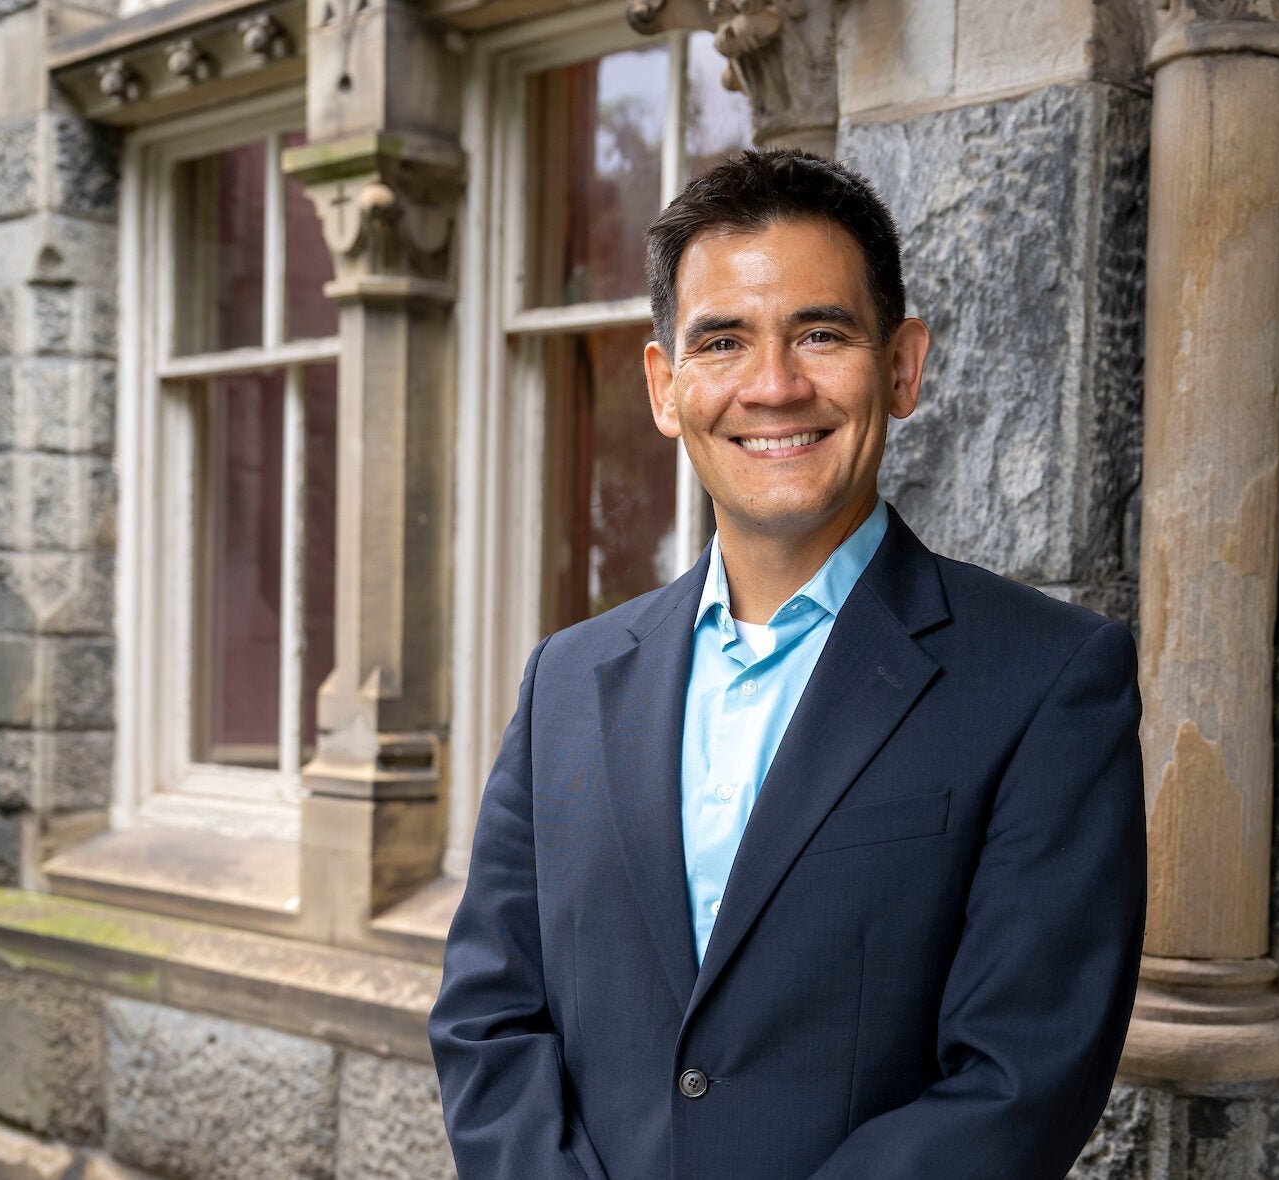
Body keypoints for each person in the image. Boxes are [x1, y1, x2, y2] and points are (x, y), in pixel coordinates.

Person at [430, 149, 1146, 1180]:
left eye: (820, 332)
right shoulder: (567, 682)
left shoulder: (1048, 681)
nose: (773, 386)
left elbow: (1018, 1080)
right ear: (666, 386)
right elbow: (488, 1018)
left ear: (901, 365)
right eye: (723, 341)